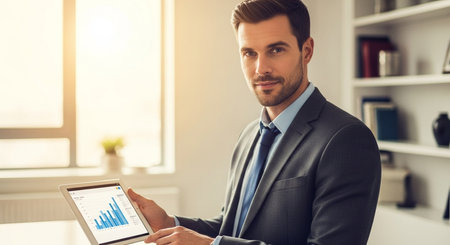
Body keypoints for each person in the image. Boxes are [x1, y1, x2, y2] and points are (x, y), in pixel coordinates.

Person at [128, 0, 381, 244]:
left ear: (307, 51)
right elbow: (233, 227)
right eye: (249, 53)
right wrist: (168, 223)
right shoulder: (250, 135)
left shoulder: (347, 139)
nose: (261, 68)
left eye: (276, 50)